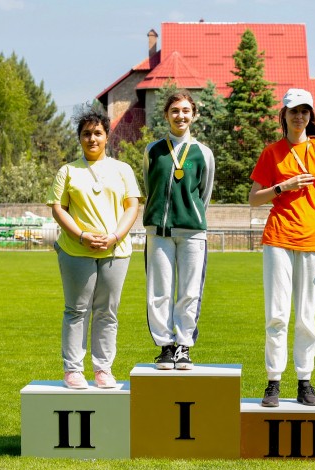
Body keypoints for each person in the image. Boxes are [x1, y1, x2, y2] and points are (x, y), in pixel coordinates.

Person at [248, 88, 315, 407]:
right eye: (293, 111)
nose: (299, 116)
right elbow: (253, 199)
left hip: (313, 240)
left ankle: (304, 381)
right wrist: (282, 187)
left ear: (311, 115)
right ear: (283, 115)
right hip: (278, 239)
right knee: (277, 315)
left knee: (306, 317)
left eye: (304, 111)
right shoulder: (271, 153)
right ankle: (273, 381)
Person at [46, 109, 141, 389]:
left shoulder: (122, 170)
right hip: (76, 251)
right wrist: (82, 235)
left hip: (115, 251)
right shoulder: (68, 171)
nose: (92, 138)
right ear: (79, 138)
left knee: (107, 311)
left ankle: (103, 369)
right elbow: (57, 209)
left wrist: (114, 236)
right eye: (86, 133)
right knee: (76, 310)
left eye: (97, 132)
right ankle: (73, 370)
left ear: (107, 136)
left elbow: (132, 206)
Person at [143, 89, 216, 370]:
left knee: (189, 291)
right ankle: (165, 346)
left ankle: (184, 345)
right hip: (158, 231)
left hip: (192, 232)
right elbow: (150, 189)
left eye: (186, 111)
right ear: (166, 115)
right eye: (175, 111)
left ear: (194, 115)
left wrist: (191, 215)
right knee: (159, 290)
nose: (180, 115)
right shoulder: (153, 150)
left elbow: (204, 192)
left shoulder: (203, 153)